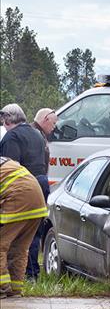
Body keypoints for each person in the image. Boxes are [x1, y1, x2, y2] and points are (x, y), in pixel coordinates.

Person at [0, 104, 47, 281]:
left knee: (3, 244)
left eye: (4, 119)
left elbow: (11, 168)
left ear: (9, 118)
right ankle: (28, 278)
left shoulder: (11, 137)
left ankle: (3, 287)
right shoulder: (36, 134)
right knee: (25, 243)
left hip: (17, 192)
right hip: (38, 190)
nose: (3, 123)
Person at [0, 157, 48, 298]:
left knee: (1, 245)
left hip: (19, 198)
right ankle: (15, 289)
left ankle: (2, 288)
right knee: (19, 248)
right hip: (37, 203)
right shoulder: (5, 161)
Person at [25, 108, 58, 279]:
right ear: (45, 119)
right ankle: (31, 273)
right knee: (34, 232)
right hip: (35, 187)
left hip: (35, 186)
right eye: (53, 123)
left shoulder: (36, 135)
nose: (54, 128)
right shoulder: (35, 136)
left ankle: (30, 272)